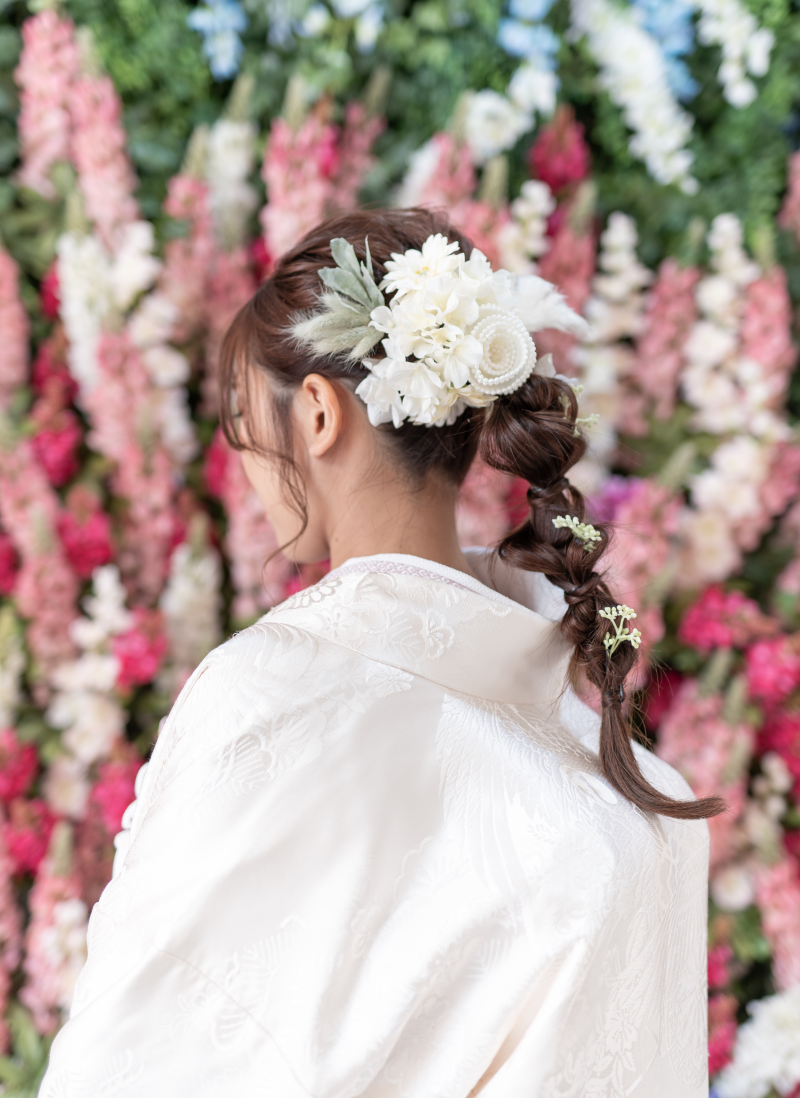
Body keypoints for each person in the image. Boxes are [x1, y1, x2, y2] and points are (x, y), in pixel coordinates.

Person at [41, 208, 722, 1097]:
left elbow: (146, 1048)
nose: (244, 463)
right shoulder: (625, 789)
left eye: (245, 422)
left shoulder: (277, 692)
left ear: (318, 415)